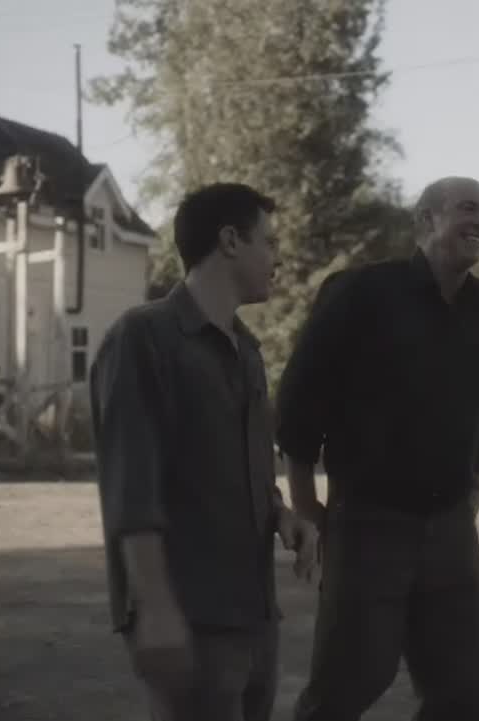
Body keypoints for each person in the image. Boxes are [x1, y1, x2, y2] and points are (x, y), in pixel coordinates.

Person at [275, 176, 479, 721]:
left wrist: (474, 490)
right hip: (369, 525)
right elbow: (299, 404)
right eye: (468, 209)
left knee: (462, 694)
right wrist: (308, 507)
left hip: (451, 527)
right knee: (348, 684)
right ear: (426, 220)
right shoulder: (360, 293)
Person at [90, 182, 318, 721]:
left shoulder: (247, 350)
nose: (278, 258)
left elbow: (243, 466)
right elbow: (131, 486)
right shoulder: (142, 338)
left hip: (254, 615)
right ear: (230, 241)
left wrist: (283, 515)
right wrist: (155, 607)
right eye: (269, 242)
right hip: (189, 617)